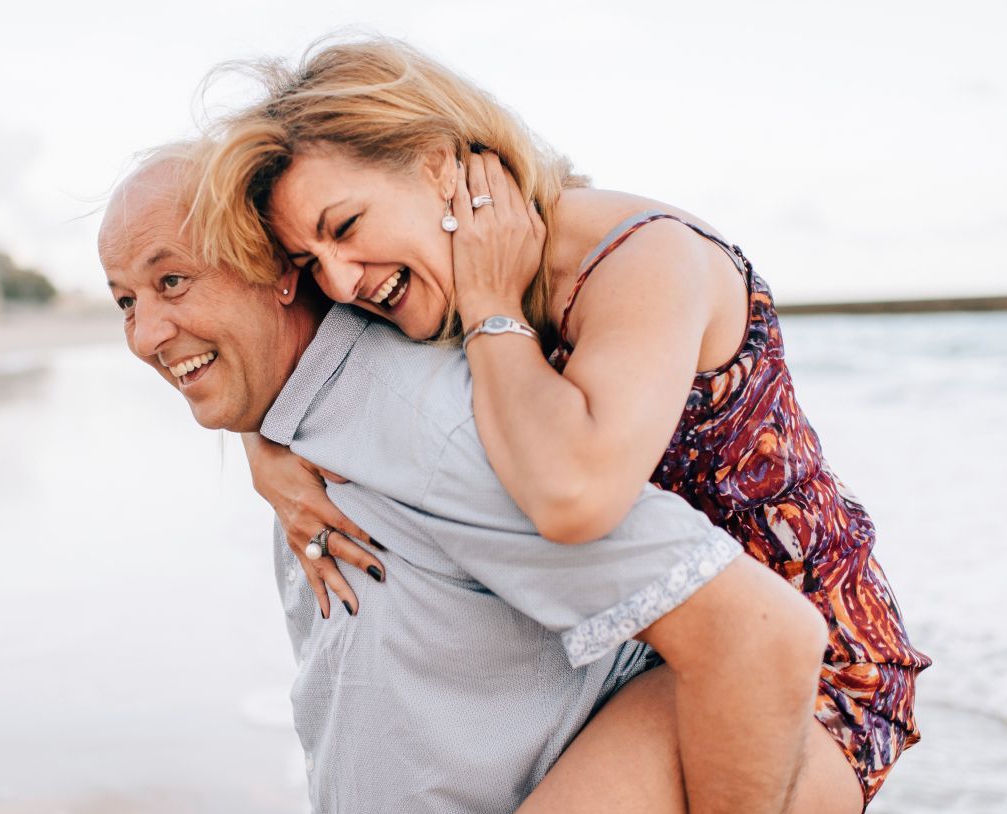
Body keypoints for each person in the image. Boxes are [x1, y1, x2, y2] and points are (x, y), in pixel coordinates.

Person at [194, 37, 931, 810]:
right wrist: (261, 443)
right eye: (307, 262)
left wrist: (491, 308)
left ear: (438, 164)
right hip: (637, 649)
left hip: (802, 665)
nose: (339, 281)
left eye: (343, 227)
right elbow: (292, 362)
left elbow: (572, 497)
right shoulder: (412, 278)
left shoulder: (639, 256)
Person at [99, 144, 830, 813]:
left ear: (273, 270)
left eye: (173, 281)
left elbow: (759, 638)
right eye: (127, 300)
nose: (144, 336)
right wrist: (262, 440)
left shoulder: (435, 424)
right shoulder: (315, 416)